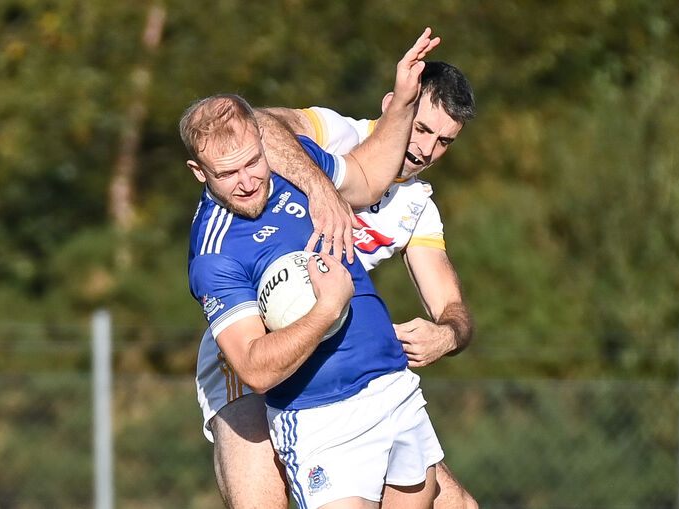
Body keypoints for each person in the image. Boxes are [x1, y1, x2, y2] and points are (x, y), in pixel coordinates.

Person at [196, 61, 479, 508]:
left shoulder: (416, 207)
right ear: (394, 105)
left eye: (444, 141)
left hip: (342, 366)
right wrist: (321, 187)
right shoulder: (337, 135)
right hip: (251, 352)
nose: (426, 149)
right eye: (421, 128)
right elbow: (255, 126)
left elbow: (452, 308)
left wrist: (447, 335)